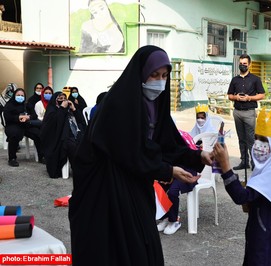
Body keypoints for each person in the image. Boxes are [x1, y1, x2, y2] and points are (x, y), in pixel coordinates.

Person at [69, 45, 212, 265]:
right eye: (154, 74)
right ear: (140, 73)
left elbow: (168, 142)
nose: (159, 81)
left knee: (142, 247)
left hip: (135, 184)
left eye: (164, 75)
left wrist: (198, 156)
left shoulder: (156, 105)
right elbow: (128, 153)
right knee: (114, 249)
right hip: (106, 188)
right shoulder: (118, 105)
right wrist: (167, 170)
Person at [212, 107, 271, 265]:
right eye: (257, 139)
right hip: (263, 229)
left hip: (268, 236)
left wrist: (225, 166)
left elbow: (241, 197)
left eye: (264, 141)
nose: (257, 146)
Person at [156, 130, 199, 235]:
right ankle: (165, 217)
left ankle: (174, 220)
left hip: (188, 172)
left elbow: (190, 161)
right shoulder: (165, 140)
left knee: (172, 191)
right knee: (158, 186)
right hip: (174, 171)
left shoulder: (183, 139)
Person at [227, 54, 265, 171]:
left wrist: (249, 98)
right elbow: (229, 95)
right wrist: (236, 97)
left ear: (249, 64)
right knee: (241, 138)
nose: (242, 65)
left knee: (251, 139)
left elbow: (262, 95)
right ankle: (244, 162)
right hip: (237, 112)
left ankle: (255, 163)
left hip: (249, 112)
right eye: (241, 63)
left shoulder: (255, 79)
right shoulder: (235, 80)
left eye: (245, 64)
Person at [40, 92, 86, 178]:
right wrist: (61, 108)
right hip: (58, 139)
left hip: (74, 135)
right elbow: (53, 126)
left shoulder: (69, 111)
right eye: (60, 99)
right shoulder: (52, 110)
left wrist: (74, 109)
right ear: (55, 100)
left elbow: (81, 121)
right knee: (72, 146)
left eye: (64, 99)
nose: (63, 101)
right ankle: (78, 170)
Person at [3, 88, 45, 167]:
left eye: (22, 95)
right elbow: (7, 117)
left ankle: (42, 156)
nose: (20, 97)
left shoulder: (27, 104)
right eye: (18, 95)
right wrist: (18, 117)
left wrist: (28, 117)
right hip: (13, 125)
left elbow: (34, 115)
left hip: (26, 125)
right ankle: (12, 158)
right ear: (14, 96)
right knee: (14, 135)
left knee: (38, 134)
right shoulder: (9, 105)